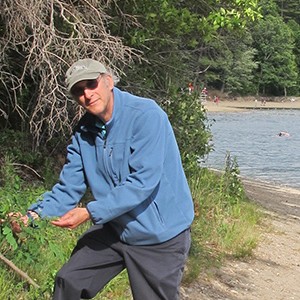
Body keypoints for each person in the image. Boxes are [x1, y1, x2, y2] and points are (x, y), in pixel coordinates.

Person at [13, 58, 194, 300]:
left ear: (108, 81)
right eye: (79, 91)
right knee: (70, 282)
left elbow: (142, 182)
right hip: (116, 228)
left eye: (91, 84)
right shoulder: (83, 131)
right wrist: (32, 216)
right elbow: (68, 189)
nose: (87, 94)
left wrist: (89, 212)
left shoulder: (146, 115)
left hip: (159, 236)